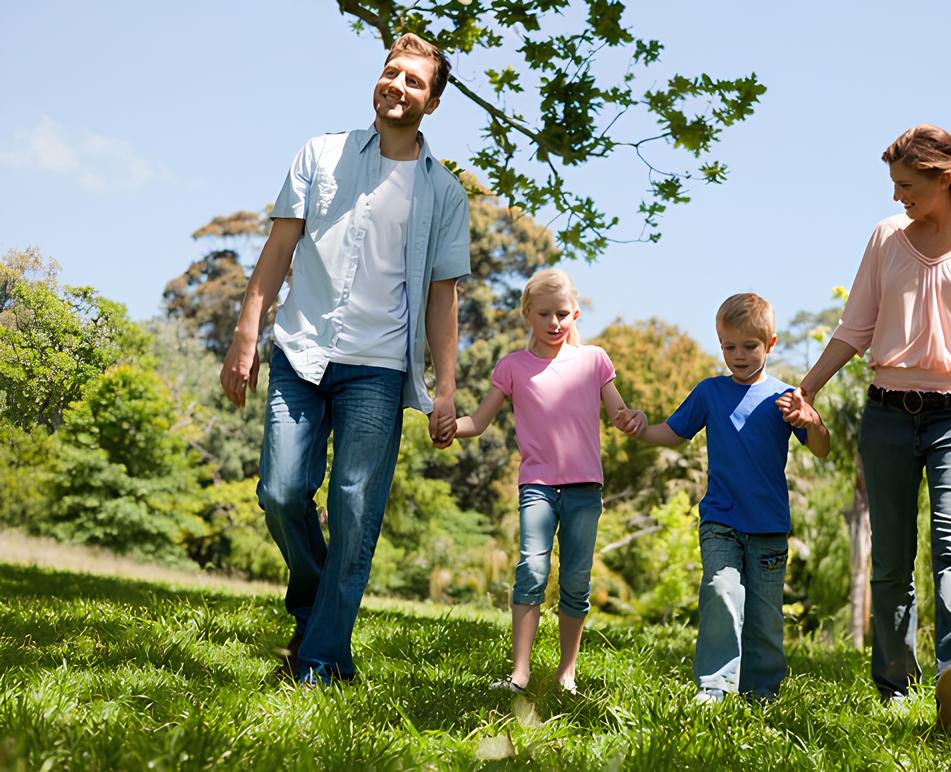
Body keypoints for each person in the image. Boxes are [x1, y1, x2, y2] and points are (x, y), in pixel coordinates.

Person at [218, 33, 469, 686]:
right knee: (280, 493)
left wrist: (445, 388)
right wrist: (246, 334)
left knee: (356, 514)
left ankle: (319, 662)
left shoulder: (445, 194)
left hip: (379, 371)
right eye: (392, 72)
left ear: (432, 103)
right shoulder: (320, 154)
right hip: (301, 350)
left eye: (414, 81)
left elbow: (443, 297)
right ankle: (315, 610)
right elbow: (278, 250)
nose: (397, 86)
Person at [780, 124, 951, 733]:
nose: (897, 196)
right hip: (887, 414)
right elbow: (855, 327)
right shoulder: (887, 237)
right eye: (894, 184)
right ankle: (895, 685)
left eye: (907, 184)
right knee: (890, 558)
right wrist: (808, 387)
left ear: (944, 178)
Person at [621, 293, 830, 703]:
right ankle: (714, 687)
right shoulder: (709, 393)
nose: (738, 356)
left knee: (764, 617)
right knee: (721, 590)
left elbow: (822, 449)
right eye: (729, 346)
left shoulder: (786, 398)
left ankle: (761, 693)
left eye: (749, 346)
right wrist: (641, 429)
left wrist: (812, 420)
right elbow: (673, 434)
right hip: (721, 521)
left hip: (769, 527)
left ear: (770, 344)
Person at [454, 268, 643, 695]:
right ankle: (520, 675)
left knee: (576, 580)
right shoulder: (513, 367)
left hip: (584, 488)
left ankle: (566, 673)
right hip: (537, 486)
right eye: (544, 314)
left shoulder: (594, 360)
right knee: (531, 570)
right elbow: (478, 422)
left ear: (575, 313)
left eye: (562, 313)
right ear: (527, 314)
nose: (555, 323)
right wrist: (447, 425)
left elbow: (620, 414)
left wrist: (636, 418)